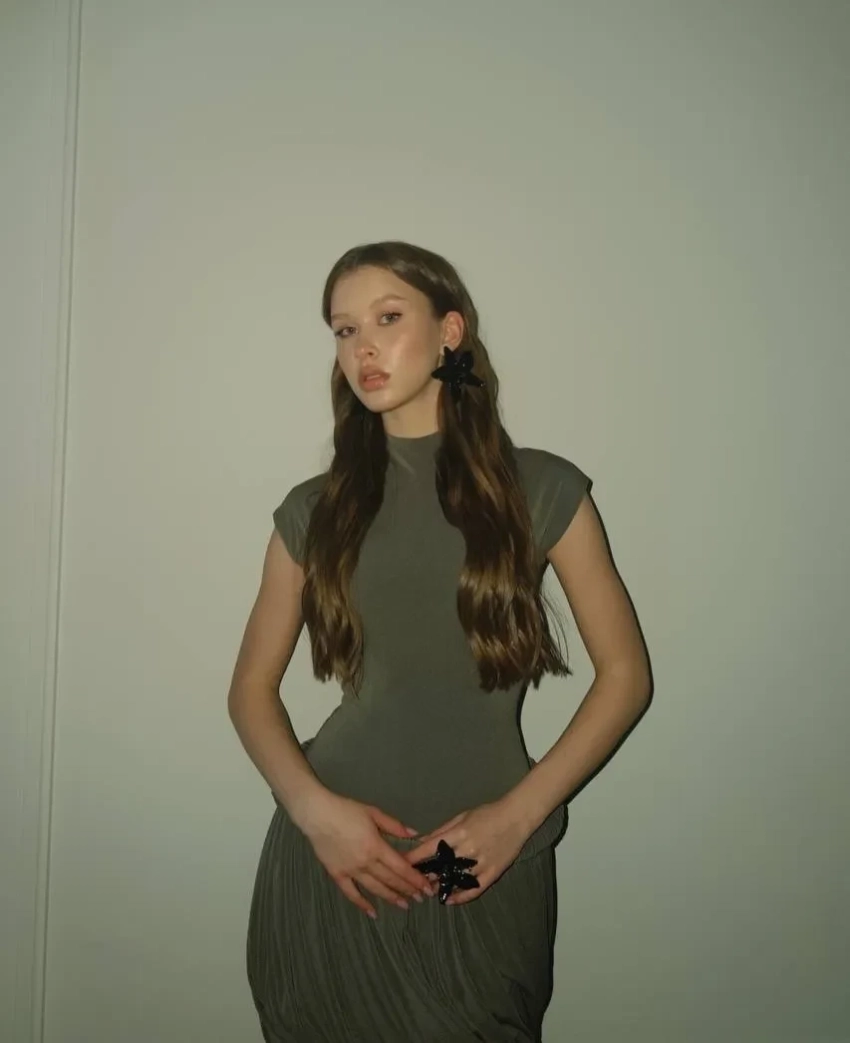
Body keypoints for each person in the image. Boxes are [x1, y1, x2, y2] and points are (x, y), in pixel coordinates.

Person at [228, 240, 651, 1042]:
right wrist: (316, 814)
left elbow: (625, 674)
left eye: (387, 318)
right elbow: (250, 690)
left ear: (450, 331)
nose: (364, 347)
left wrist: (516, 818)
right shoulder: (314, 509)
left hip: (478, 862)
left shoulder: (543, 487)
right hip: (339, 862)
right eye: (344, 330)